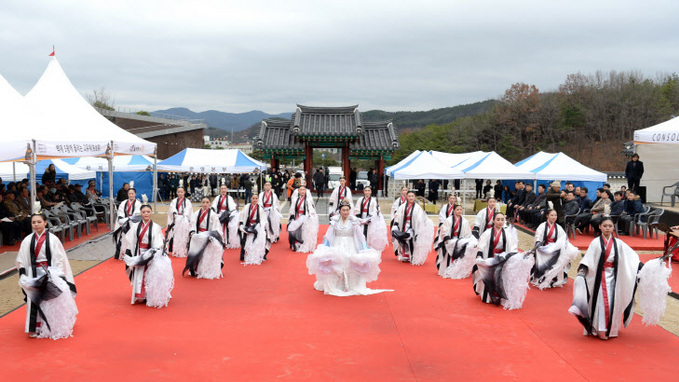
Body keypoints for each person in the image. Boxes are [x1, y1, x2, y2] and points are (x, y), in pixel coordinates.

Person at [569, 217, 670, 339]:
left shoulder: (619, 243)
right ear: (600, 227)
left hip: (614, 278)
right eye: (605, 226)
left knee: (613, 302)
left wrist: (649, 266)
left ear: (613, 228)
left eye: (610, 226)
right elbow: (588, 259)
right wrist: (582, 270)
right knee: (601, 302)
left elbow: (632, 259)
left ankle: (610, 329)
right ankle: (599, 328)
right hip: (598, 278)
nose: (607, 228)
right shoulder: (595, 243)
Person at [306, 198, 387, 296]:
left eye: (347, 210)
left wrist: (364, 247)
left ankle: (350, 285)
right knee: (337, 264)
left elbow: (360, 236)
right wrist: (325, 246)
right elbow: (329, 234)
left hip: (351, 243)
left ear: (350, 210)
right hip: (337, 244)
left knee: (349, 262)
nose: (345, 212)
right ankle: (337, 285)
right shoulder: (335, 221)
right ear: (340, 210)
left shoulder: (354, 221)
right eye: (343, 210)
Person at [16, 213, 77, 339]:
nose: (36, 225)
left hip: (50, 272)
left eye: (39, 222)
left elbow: (59, 259)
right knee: (34, 299)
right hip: (33, 273)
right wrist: (23, 274)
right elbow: (22, 259)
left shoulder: (53, 239)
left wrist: (56, 274)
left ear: (45, 223)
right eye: (34, 222)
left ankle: (52, 325)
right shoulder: (27, 240)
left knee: (51, 301)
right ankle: (35, 326)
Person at [471, 212, 533, 309]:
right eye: (498, 220)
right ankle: (488, 297)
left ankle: (501, 296)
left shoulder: (507, 234)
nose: (500, 222)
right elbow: (481, 246)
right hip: (490, 259)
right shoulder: (487, 233)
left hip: (502, 260)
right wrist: (479, 257)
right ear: (493, 220)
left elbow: (512, 249)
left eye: (502, 220)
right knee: (488, 276)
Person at [123, 204, 173, 307]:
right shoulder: (135, 226)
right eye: (144, 212)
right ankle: (140, 295)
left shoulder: (156, 227)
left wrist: (157, 250)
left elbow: (159, 242)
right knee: (139, 274)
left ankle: (150, 295)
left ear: (151, 213)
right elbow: (131, 241)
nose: (146, 214)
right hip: (138, 253)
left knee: (150, 275)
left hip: (151, 254)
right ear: (140, 213)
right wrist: (129, 252)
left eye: (148, 212)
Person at [531, 209, 579, 289]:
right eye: (552, 215)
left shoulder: (558, 227)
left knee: (561, 258)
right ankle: (541, 277)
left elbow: (564, 238)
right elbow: (538, 236)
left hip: (554, 250)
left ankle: (553, 278)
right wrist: (538, 242)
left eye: (555, 215)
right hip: (544, 249)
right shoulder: (542, 226)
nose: (554, 217)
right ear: (547, 216)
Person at [184, 197, 225, 279]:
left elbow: (217, 228)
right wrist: (192, 232)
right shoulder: (196, 213)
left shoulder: (213, 214)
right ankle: (195, 269)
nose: (205, 204)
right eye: (203, 202)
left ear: (209, 203)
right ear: (201, 203)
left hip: (209, 236)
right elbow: (192, 224)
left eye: (207, 202)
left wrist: (211, 235)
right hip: (198, 236)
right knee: (196, 252)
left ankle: (206, 269)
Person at [391, 191, 435, 265]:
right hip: (404, 225)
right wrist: (396, 223)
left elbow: (420, 218)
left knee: (412, 240)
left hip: (413, 226)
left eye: (412, 196)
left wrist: (423, 220)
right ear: (407, 197)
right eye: (409, 196)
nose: (411, 198)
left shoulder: (417, 207)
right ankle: (405, 255)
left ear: (414, 197)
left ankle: (412, 255)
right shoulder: (402, 206)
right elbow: (397, 215)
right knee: (403, 239)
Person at [436, 204, 473, 278]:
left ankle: (457, 271)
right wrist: (446, 238)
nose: (459, 211)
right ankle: (446, 270)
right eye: (457, 210)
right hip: (450, 240)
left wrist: (464, 241)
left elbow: (468, 233)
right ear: (453, 210)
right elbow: (444, 230)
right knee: (447, 255)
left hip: (460, 241)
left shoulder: (465, 221)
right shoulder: (448, 220)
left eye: (461, 210)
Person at [353, 186, 388, 252]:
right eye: (366, 190)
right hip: (361, 216)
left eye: (368, 190)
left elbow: (375, 210)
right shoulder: (360, 199)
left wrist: (369, 218)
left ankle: (368, 246)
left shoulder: (373, 200)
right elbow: (357, 208)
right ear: (363, 191)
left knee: (368, 232)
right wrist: (358, 217)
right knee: (360, 231)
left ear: (371, 192)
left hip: (369, 217)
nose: (367, 192)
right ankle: (361, 245)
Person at [287, 185, 319, 253]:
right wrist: (292, 215)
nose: (302, 191)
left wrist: (311, 216)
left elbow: (311, 209)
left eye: (303, 190)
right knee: (295, 230)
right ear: (298, 191)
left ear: (305, 191)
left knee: (304, 231)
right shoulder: (295, 199)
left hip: (305, 216)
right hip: (297, 216)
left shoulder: (308, 200)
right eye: (300, 190)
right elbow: (292, 208)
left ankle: (303, 243)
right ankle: (296, 244)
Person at [238, 194, 268, 264]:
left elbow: (263, 218)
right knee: (245, 241)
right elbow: (242, 215)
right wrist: (241, 223)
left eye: (256, 198)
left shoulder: (260, 208)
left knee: (255, 242)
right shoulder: (247, 207)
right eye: (253, 198)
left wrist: (262, 226)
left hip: (256, 226)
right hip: (248, 225)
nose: (254, 200)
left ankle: (256, 255)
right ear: (251, 199)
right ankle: (244, 255)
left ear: (258, 199)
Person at [113, 188, 142, 259]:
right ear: (127, 194)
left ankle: (132, 253)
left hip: (133, 222)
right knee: (122, 238)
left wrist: (129, 219)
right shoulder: (124, 202)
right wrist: (122, 218)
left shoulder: (138, 203)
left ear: (135, 194)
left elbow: (137, 214)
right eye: (129, 194)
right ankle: (122, 253)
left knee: (133, 238)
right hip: (124, 222)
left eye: (132, 194)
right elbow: (120, 211)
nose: (131, 195)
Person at [166, 186, 193, 258]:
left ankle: (184, 251)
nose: (180, 193)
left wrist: (184, 216)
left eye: (181, 191)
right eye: (179, 192)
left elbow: (188, 210)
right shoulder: (174, 201)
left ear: (184, 192)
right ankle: (176, 251)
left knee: (184, 236)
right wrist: (175, 214)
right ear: (177, 192)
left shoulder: (187, 201)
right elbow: (172, 209)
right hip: (176, 221)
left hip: (184, 220)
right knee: (176, 236)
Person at [211, 184, 240, 249]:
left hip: (226, 214)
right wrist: (213, 209)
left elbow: (232, 207)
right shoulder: (217, 198)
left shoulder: (229, 198)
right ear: (220, 190)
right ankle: (220, 241)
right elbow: (214, 205)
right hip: (219, 213)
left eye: (224, 188)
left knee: (228, 227)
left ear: (226, 190)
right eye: (222, 189)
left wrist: (234, 209)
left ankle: (226, 241)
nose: (223, 190)